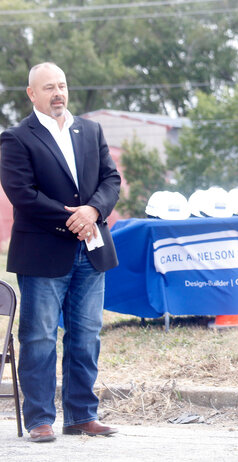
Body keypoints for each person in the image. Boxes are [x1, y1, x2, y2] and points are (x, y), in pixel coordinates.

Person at [0, 62, 121, 442]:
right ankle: (39, 419)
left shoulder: (90, 129)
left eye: (63, 86)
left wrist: (94, 211)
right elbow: (23, 194)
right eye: (49, 87)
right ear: (31, 94)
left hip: (92, 249)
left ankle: (81, 415)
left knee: (86, 335)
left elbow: (110, 178)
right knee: (38, 338)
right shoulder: (16, 137)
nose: (58, 93)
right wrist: (74, 218)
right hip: (43, 252)